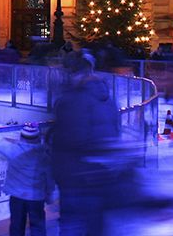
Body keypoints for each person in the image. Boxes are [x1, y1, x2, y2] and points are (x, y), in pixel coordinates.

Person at [49, 53, 120, 236]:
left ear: (73, 73)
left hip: (76, 176)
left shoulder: (72, 99)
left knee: (71, 223)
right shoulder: (108, 98)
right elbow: (115, 131)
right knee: (95, 224)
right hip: (102, 174)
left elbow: (70, 138)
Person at [0, 123, 51, 235]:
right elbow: (50, 177)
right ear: (37, 139)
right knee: (38, 226)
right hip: (36, 197)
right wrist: (50, 194)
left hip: (17, 196)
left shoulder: (13, 150)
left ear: (22, 138)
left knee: (17, 225)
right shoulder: (43, 156)